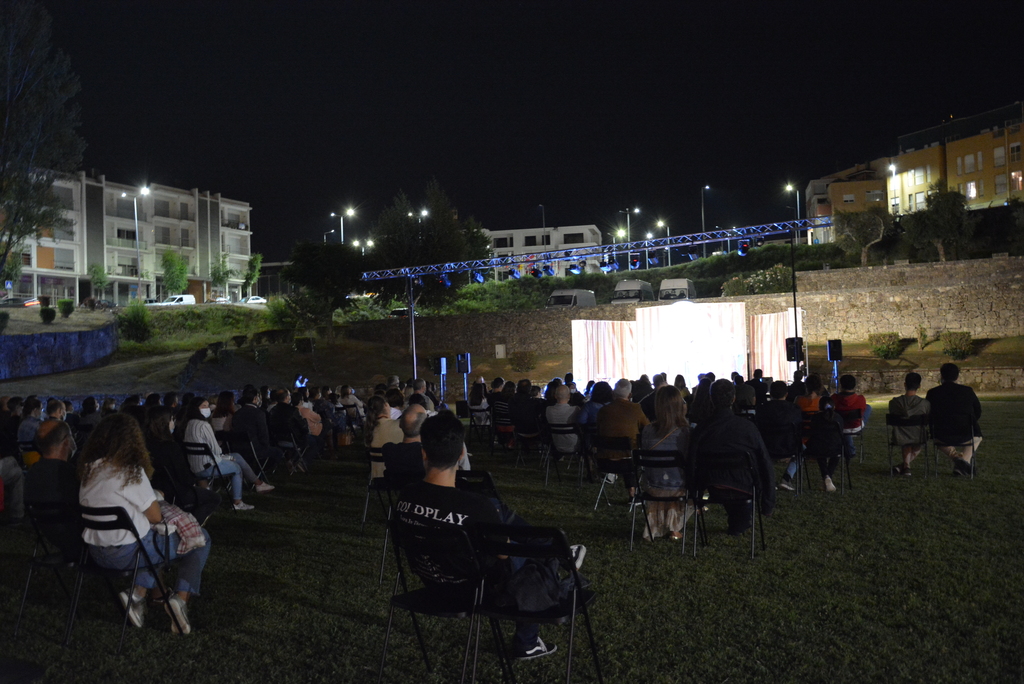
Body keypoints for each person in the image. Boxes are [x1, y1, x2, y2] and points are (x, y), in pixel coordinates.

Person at [395, 411, 578, 661]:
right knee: (531, 559)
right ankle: (528, 640)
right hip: (476, 592)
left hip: (431, 585)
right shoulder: (475, 506)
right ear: (461, 454)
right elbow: (503, 555)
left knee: (504, 523)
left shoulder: (405, 496)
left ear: (424, 452)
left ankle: (552, 549)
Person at [78, 413, 211, 634]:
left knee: (154, 543)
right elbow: (156, 517)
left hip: (95, 552)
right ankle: (180, 599)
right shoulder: (130, 472)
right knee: (200, 538)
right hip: (127, 554)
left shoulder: (89, 470)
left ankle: (138, 596)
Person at [689, 379, 776, 534]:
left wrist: (695, 493)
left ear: (711, 399)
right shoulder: (748, 428)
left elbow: (692, 462)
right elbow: (765, 462)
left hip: (712, 485)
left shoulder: (702, 429)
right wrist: (768, 503)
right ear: (733, 398)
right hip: (744, 485)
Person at [183, 397, 270, 510]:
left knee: (237, 456)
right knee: (237, 468)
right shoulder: (203, 425)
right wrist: (226, 458)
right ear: (195, 409)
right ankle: (238, 502)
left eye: (207, 406)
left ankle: (258, 484)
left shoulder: (189, 424)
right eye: (203, 406)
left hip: (195, 466)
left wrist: (227, 457)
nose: (207, 409)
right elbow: (216, 450)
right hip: (208, 465)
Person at [145, 406, 220, 525]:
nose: (173, 423)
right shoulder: (171, 447)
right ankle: (192, 524)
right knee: (214, 498)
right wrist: (193, 482)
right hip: (175, 492)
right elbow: (184, 477)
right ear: (165, 422)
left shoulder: (145, 445)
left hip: (151, 489)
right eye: (171, 419)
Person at [23, 420, 82, 559]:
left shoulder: (31, 474)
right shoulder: (70, 475)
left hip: (51, 536)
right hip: (79, 540)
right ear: (66, 442)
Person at [639, 385, 691, 540]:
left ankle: (665, 525)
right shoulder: (686, 432)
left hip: (653, 485)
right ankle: (674, 527)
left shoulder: (648, 430)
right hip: (678, 488)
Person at [925, 363, 982, 476]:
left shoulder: (932, 393)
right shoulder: (967, 391)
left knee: (938, 439)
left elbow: (928, 414)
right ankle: (964, 462)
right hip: (965, 432)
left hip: (941, 434)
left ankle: (958, 460)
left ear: (941, 376)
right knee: (977, 436)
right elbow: (978, 411)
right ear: (957, 376)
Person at [596, 379, 650, 495]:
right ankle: (632, 492)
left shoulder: (603, 411)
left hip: (604, 461)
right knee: (629, 451)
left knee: (625, 451)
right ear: (630, 395)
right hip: (629, 462)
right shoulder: (636, 409)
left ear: (613, 394)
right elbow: (647, 427)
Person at [755, 380, 804, 490]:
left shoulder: (762, 409)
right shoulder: (794, 409)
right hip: (789, 446)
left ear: (770, 393)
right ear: (786, 394)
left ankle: (767, 479)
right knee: (803, 449)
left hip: (765, 447)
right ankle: (787, 478)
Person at [231, 388, 285, 475]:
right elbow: (263, 434)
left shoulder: (237, 413)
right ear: (255, 398)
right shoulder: (259, 413)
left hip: (238, 448)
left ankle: (253, 472)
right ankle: (259, 473)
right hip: (254, 448)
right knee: (278, 452)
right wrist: (266, 445)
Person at [888, 372, 931, 476]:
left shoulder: (894, 403)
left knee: (906, 436)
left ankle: (904, 466)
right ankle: (905, 466)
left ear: (904, 384)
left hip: (899, 436)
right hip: (918, 437)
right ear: (919, 386)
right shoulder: (925, 404)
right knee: (919, 440)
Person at [805, 396, 845, 492]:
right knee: (835, 454)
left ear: (819, 407)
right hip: (836, 448)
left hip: (817, 448)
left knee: (820, 452)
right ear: (834, 406)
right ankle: (828, 476)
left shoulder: (815, 418)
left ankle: (826, 476)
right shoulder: (838, 417)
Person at [831, 374, 871, 460]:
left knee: (845, 422)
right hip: (855, 426)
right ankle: (850, 449)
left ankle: (849, 448)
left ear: (841, 385)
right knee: (868, 407)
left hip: (839, 427)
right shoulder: (860, 399)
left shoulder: (833, 399)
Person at [546, 385, 580, 454]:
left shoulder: (548, 410)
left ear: (555, 396)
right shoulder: (575, 409)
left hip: (556, 444)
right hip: (575, 444)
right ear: (569, 396)